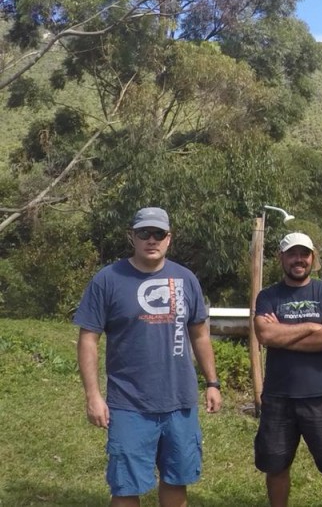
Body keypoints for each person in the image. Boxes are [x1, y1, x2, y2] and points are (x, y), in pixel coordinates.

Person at [74, 207, 221, 507]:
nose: (151, 240)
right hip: (129, 405)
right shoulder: (108, 280)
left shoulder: (186, 279)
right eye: (144, 233)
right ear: (132, 237)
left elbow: (200, 334)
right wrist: (93, 396)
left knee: (176, 481)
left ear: (169, 238)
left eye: (158, 234)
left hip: (179, 403)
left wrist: (213, 382)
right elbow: (88, 339)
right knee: (126, 488)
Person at [253, 232, 322, 507]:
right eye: (292, 253)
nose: (299, 259)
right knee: (276, 466)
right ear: (281, 258)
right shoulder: (268, 295)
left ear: (312, 258)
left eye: (304, 254)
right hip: (278, 398)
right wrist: (310, 327)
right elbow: (265, 336)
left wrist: (282, 334)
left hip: (321, 397)